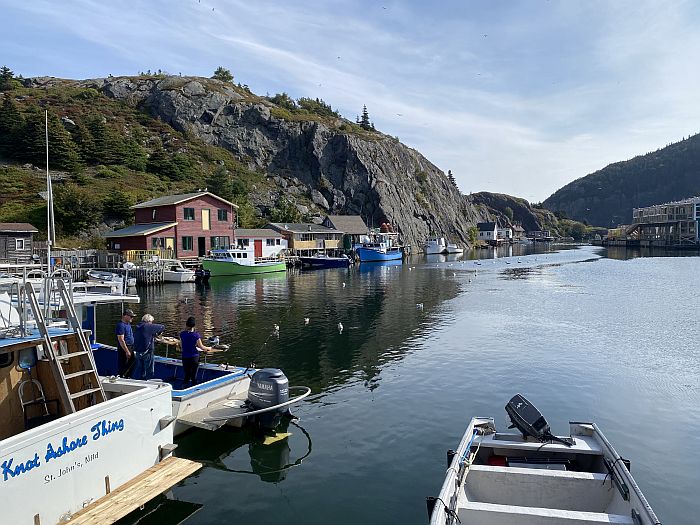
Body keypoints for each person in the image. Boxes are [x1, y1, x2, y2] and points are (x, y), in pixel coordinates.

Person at [179, 316, 213, 387]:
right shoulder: (196, 335)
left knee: (187, 375)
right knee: (193, 376)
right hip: (194, 357)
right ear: (194, 325)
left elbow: (182, 347)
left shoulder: (182, 334)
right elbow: (201, 347)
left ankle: (184, 387)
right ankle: (194, 389)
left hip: (185, 357)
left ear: (186, 324)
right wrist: (209, 348)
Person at [132, 313, 165, 380]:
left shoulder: (138, 326)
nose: (152, 323)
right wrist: (158, 333)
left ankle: (140, 381)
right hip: (147, 352)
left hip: (138, 352)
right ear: (149, 321)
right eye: (152, 322)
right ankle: (149, 382)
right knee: (149, 370)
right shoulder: (148, 326)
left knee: (141, 370)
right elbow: (162, 327)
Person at [115, 309, 135, 377]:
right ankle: (122, 377)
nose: (132, 318)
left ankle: (128, 377)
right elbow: (121, 340)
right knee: (124, 364)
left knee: (131, 363)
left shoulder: (128, 324)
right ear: (125, 316)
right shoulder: (120, 325)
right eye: (131, 316)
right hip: (125, 348)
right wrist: (126, 351)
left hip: (131, 346)